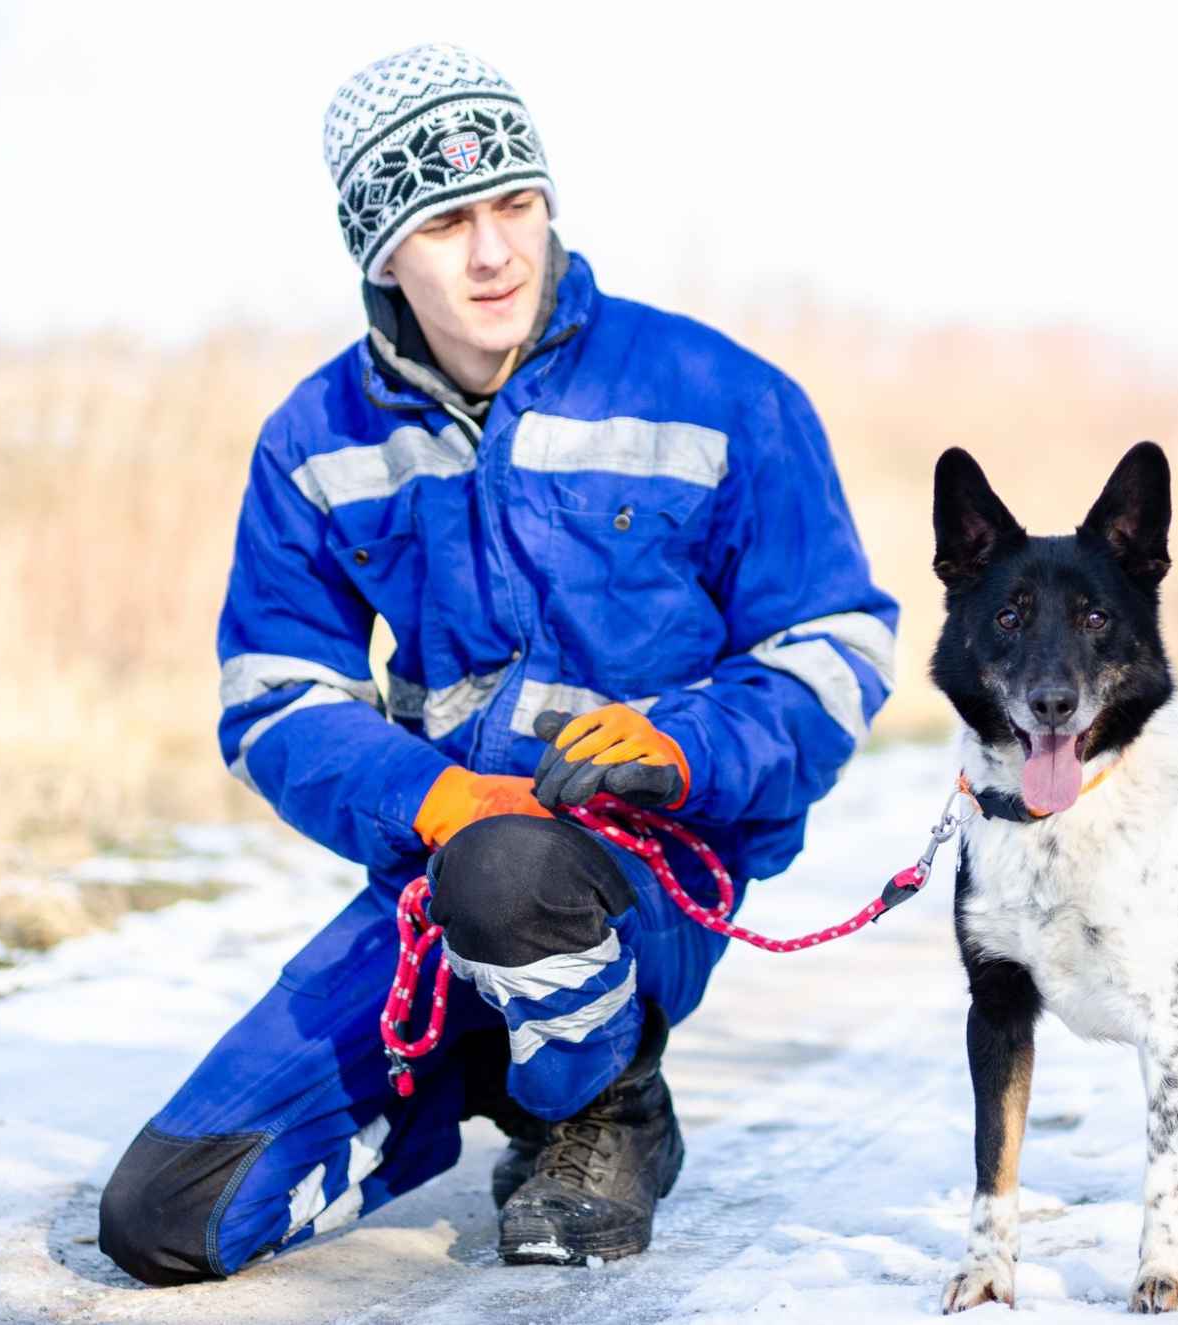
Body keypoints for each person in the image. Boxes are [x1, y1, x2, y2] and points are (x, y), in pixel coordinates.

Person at [97, 42, 897, 1286]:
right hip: (435, 871)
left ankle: (600, 1100)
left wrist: (688, 747)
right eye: (446, 220)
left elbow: (833, 643)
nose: (493, 252)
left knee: (513, 874)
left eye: (512, 203)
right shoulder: (315, 437)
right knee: (166, 1215)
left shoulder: (715, 390)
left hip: (641, 873)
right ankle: (471, 1057)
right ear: (380, 253)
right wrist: (430, 797)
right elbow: (273, 693)